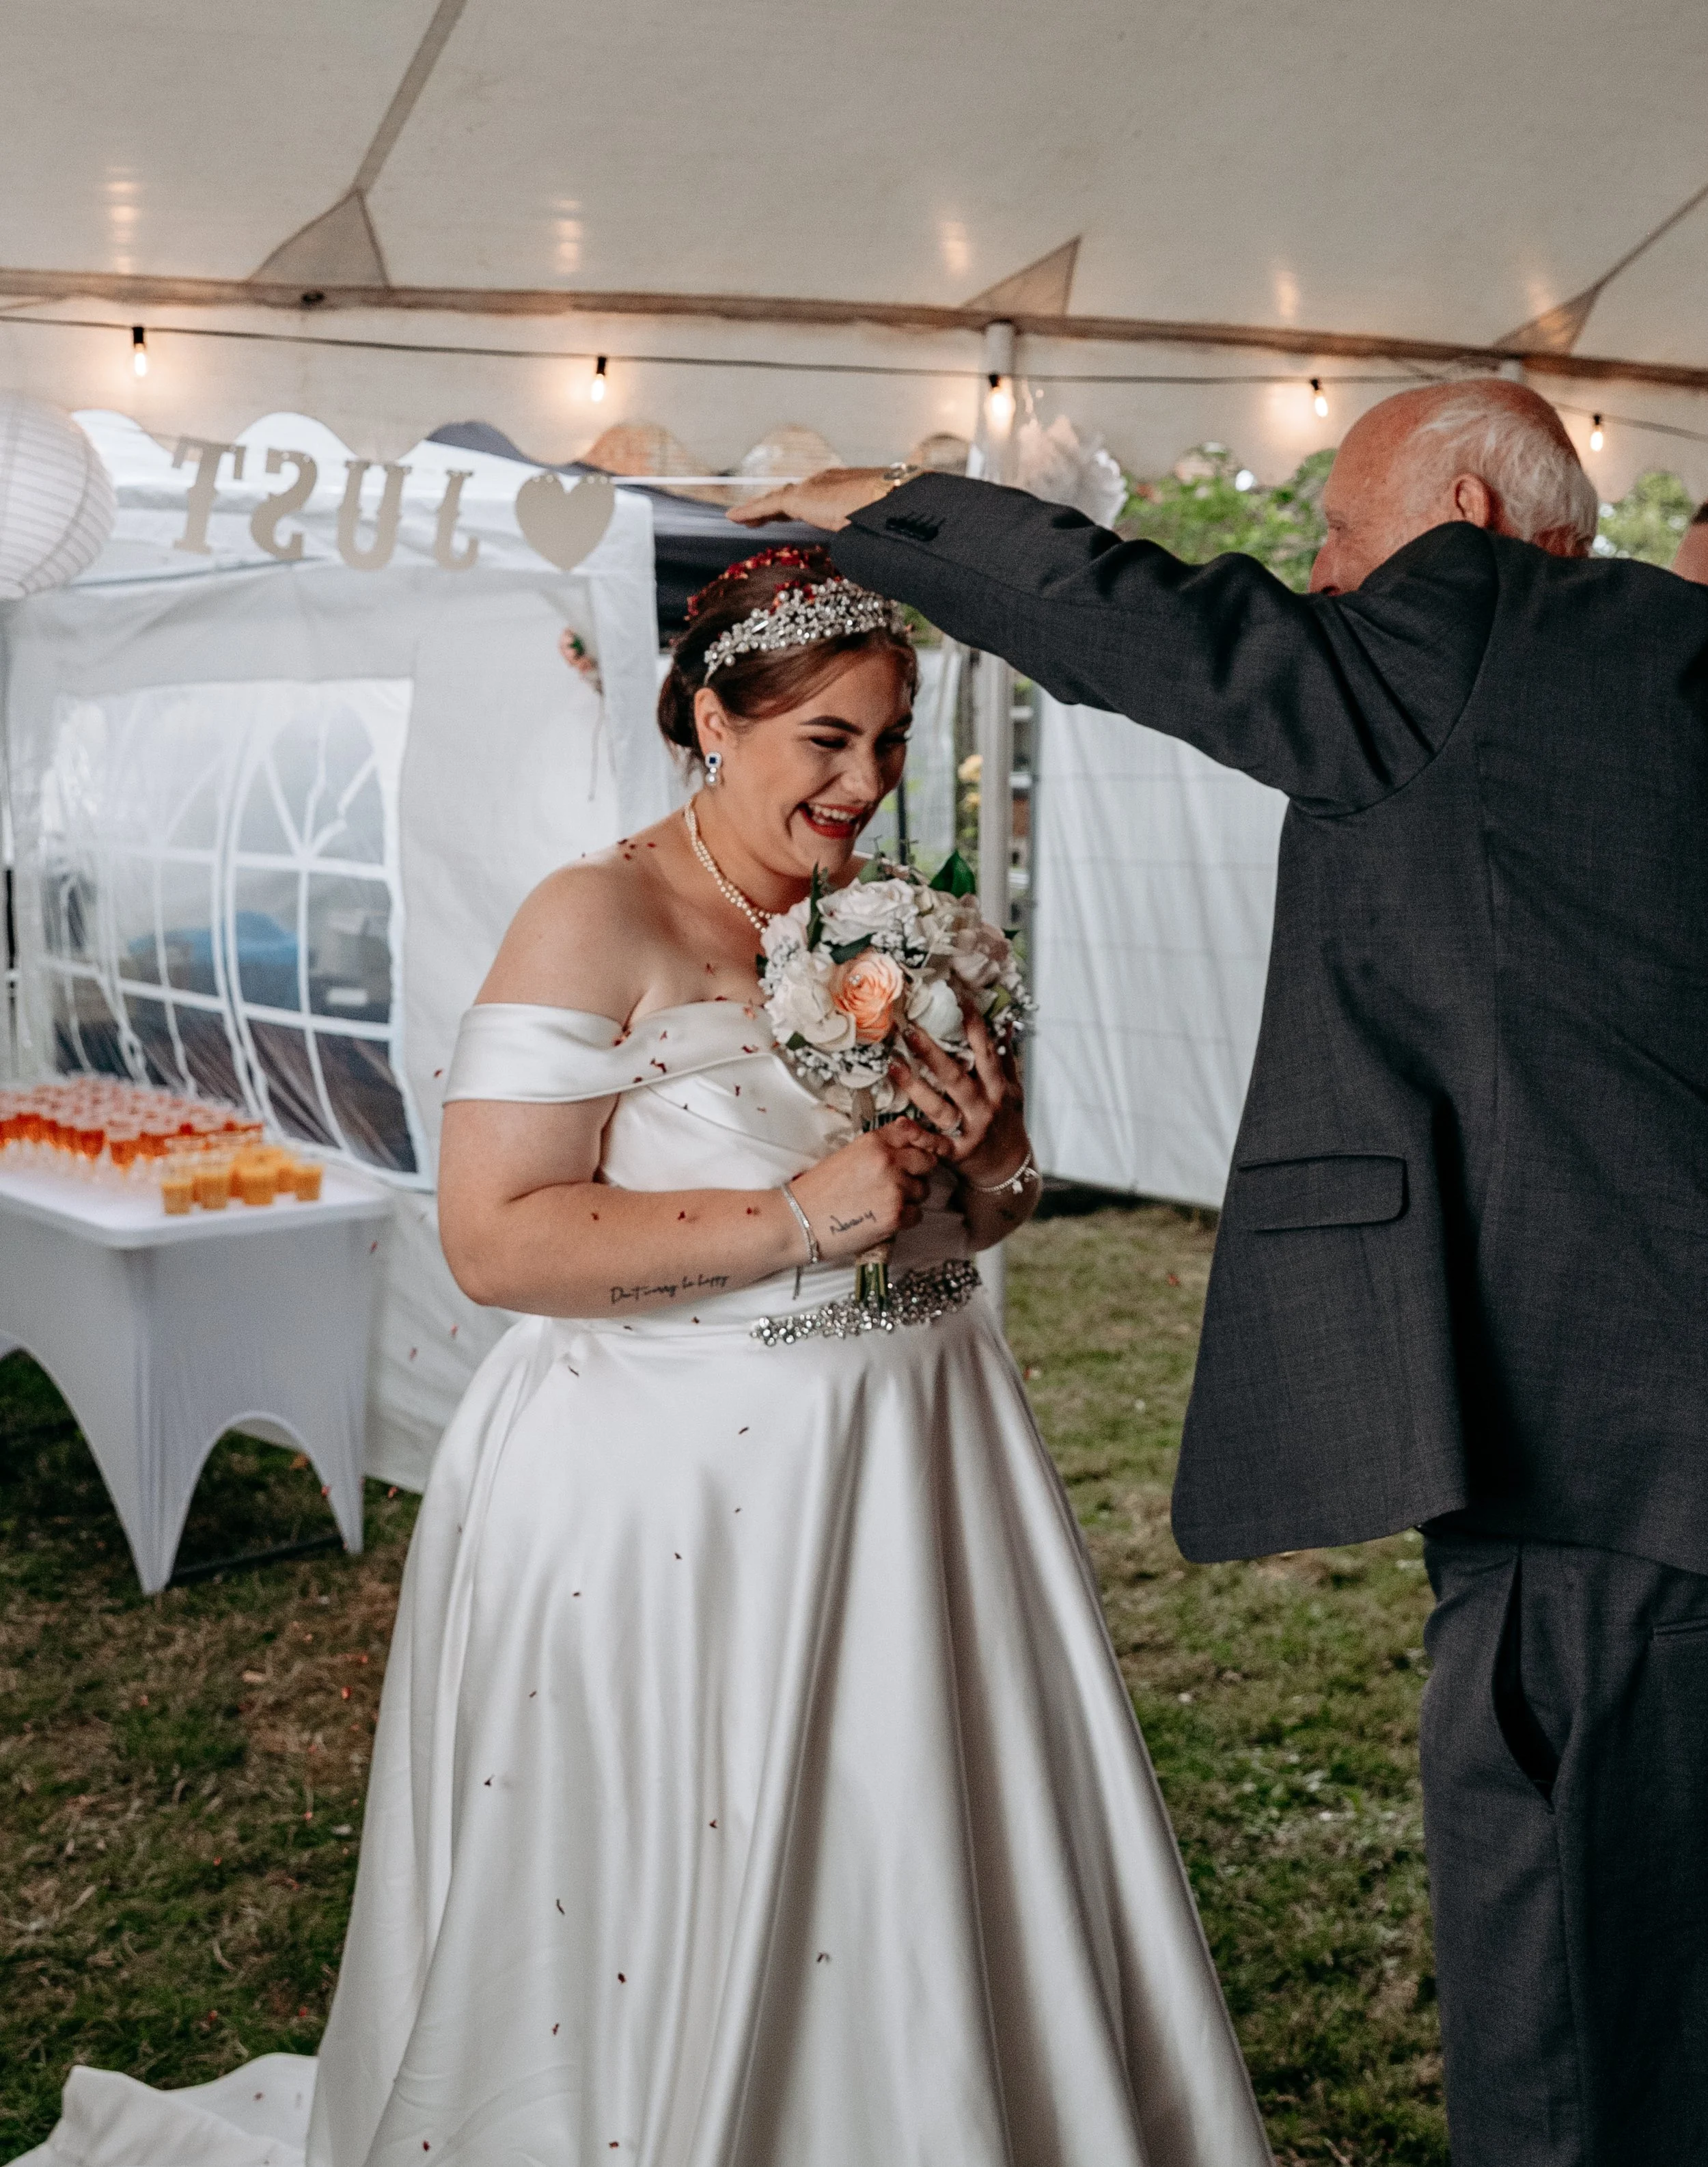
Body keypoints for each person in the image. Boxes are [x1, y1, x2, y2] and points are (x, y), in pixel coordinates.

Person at [14, 549, 1270, 2167]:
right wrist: (798, 1218)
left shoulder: (910, 926)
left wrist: (997, 1161)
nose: (864, 783)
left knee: (914, 1849)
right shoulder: (590, 918)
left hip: (916, 1468)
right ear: (705, 719)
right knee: (667, 1868)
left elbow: (981, 1209)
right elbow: (497, 1238)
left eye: (888, 743)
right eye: (824, 739)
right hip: (660, 1507)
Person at [731, 383, 1708, 2166]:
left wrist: (897, 505)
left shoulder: (1481, 631)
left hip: (1608, 1459)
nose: (1322, 587)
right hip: (1653, 1419)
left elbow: (1176, 633)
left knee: (1563, 1996)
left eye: (1341, 549)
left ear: (1473, 538)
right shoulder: (1656, 664)